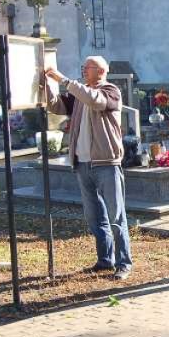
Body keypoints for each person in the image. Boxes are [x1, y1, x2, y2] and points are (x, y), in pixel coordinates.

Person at [44, 56, 133, 280]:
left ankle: (124, 263)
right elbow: (56, 106)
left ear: (101, 70)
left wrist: (64, 79)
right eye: (83, 66)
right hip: (82, 164)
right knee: (95, 217)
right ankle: (105, 260)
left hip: (106, 165)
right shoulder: (80, 94)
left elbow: (96, 101)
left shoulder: (111, 91)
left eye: (88, 67)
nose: (83, 70)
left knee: (116, 216)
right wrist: (46, 83)